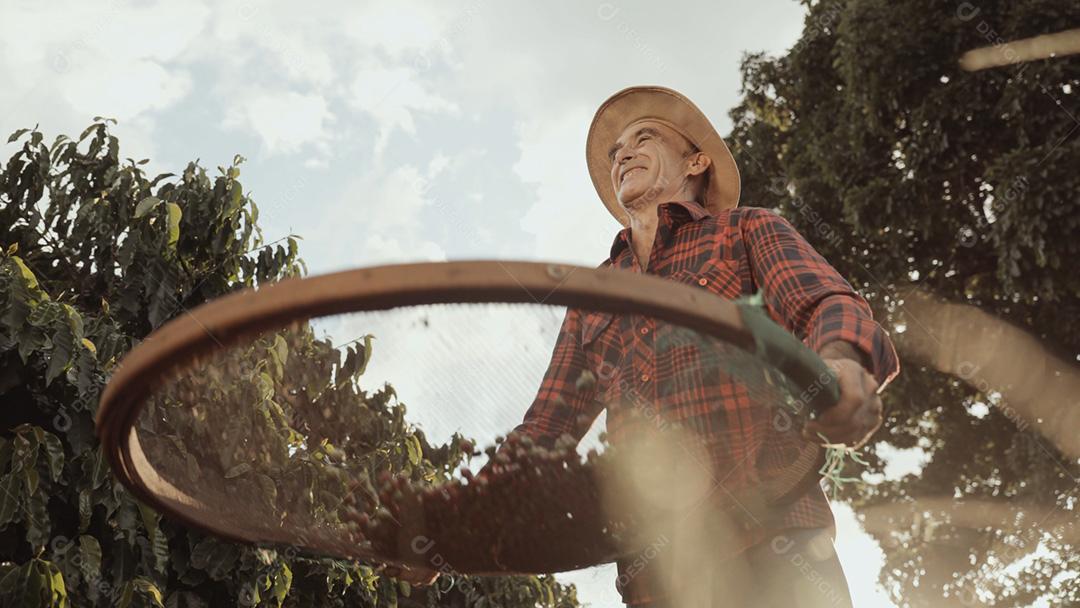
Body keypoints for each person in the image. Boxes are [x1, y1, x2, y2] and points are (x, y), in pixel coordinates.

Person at [393, 85, 900, 606]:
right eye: (616, 152)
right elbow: (546, 428)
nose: (624, 154)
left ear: (696, 162)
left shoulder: (745, 229)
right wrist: (456, 521)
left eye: (646, 136)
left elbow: (823, 302)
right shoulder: (595, 294)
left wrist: (842, 362)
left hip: (775, 537)